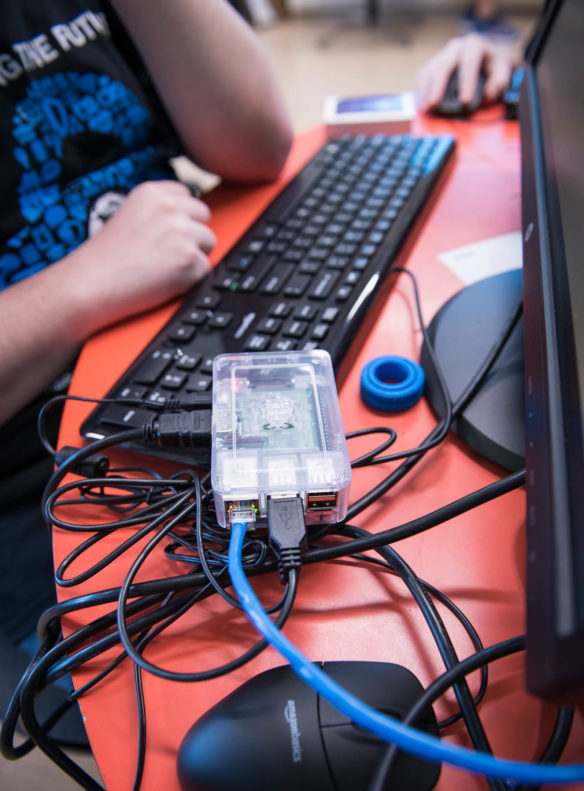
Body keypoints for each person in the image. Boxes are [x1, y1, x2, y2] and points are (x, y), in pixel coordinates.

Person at [0, 0, 292, 742]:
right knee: (230, 716)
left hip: (192, 337)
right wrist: (86, 282)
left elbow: (258, 144)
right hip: (36, 480)